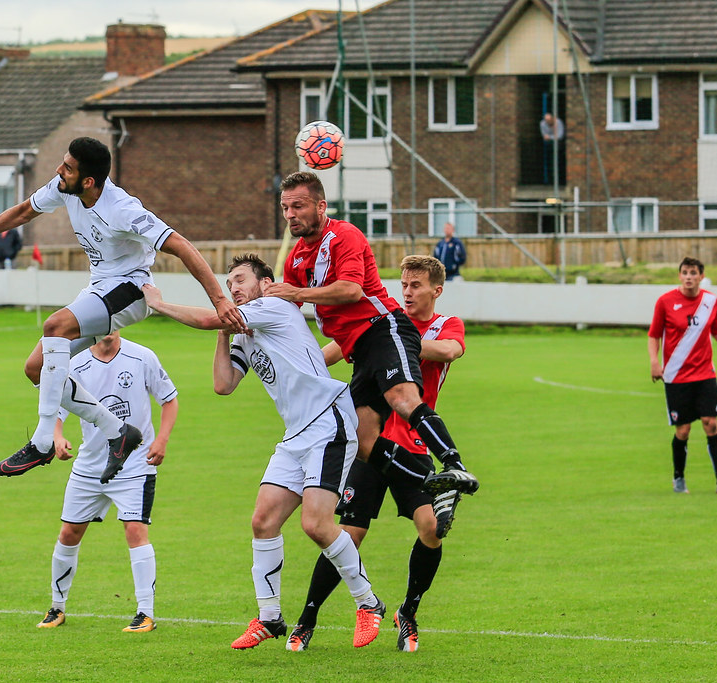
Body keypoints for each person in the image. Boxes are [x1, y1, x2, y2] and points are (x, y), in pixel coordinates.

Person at [0, 137, 244, 482]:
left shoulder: (123, 209)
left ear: (89, 181)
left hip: (131, 290)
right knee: (36, 368)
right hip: (99, 289)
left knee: (54, 326)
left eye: (67, 168)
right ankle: (117, 431)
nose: (58, 171)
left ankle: (42, 441)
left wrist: (220, 299)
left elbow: (182, 245)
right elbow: (24, 211)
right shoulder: (66, 189)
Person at [142, 254, 386, 650]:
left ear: (266, 283)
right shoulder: (242, 329)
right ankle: (270, 617)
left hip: (328, 423)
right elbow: (224, 385)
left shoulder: (273, 306)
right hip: (296, 435)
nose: (233, 287)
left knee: (316, 525)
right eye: (229, 281)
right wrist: (225, 331)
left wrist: (158, 302)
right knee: (263, 521)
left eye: (240, 279)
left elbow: (207, 318)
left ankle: (368, 603)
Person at [289, 255, 465, 653]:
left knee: (433, 530)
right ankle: (307, 619)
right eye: (403, 284)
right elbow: (329, 352)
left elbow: (450, 351)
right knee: (348, 535)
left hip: (414, 447)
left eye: (416, 285)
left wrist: (392, 340)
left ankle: (409, 612)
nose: (407, 291)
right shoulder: (378, 324)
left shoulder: (441, 325)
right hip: (369, 446)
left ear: (436, 290)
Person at [264, 172, 478, 499]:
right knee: (363, 442)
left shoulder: (344, 235)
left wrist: (294, 293)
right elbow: (291, 315)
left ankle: (454, 464)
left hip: (384, 328)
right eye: (285, 207)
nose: (290, 214)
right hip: (359, 350)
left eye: (298, 206)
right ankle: (432, 488)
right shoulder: (295, 260)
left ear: (321, 206)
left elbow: (350, 290)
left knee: (401, 398)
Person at [36, 331, 178, 633]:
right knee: (69, 533)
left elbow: (170, 400)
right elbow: (57, 408)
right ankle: (56, 608)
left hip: (135, 464)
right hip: (90, 465)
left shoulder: (142, 356)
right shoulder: (75, 363)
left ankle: (145, 613)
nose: (108, 328)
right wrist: (58, 437)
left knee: (135, 531)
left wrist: (162, 440)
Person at [648, 257, 717, 495]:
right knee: (683, 430)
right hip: (676, 375)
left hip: (705, 374)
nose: (689, 277)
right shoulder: (665, 302)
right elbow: (654, 335)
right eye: (685, 272)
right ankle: (679, 478)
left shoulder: (710, 302)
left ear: (701, 276)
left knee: (711, 424)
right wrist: (654, 362)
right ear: (679, 275)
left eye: (693, 273)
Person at [540, 112, 565, 184]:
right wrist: (553, 137)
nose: (548, 123)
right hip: (549, 145)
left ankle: (560, 180)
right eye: (546, 121)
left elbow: (560, 136)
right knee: (550, 161)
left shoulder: (558, 123)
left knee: (559, 161)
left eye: (549, 121)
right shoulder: (543, 124)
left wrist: (550, 137)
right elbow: (544, 136)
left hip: (559, 145)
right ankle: (551, 180)